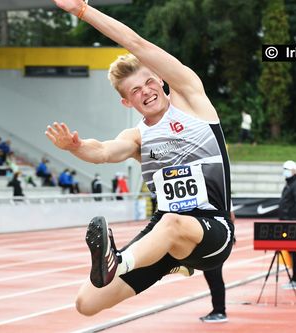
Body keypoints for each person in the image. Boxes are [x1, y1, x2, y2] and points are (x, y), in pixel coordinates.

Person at [47, 0, 234, 316]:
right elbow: (104, 152)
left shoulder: (191, 99)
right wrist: (74, 146)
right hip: (165, 237)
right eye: (135, 91)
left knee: (172, 222)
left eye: (149, 82)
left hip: (212, 230)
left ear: (161, 79)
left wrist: (82, 11)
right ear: (126, 102)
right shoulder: (137, 137)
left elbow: (136, 43)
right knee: (86, 304)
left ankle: (118, 261)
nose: (146, 91)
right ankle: (160, 263)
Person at [199, 211, 236, 323]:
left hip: (216, 239)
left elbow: (231, 214)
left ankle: (219, 311)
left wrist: (229, 233)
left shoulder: (218, 196)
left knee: (214, 275)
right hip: (215, 237)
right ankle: (218, 309)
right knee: (212, 274)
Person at [279, 160, 296, 290]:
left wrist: (291, 219)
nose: (285, 171)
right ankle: (294, 279)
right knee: (290, 251)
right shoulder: (290, 184)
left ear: (294, 170)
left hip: (292, 223)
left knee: (294, 251)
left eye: (287, 169)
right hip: (287, 221)